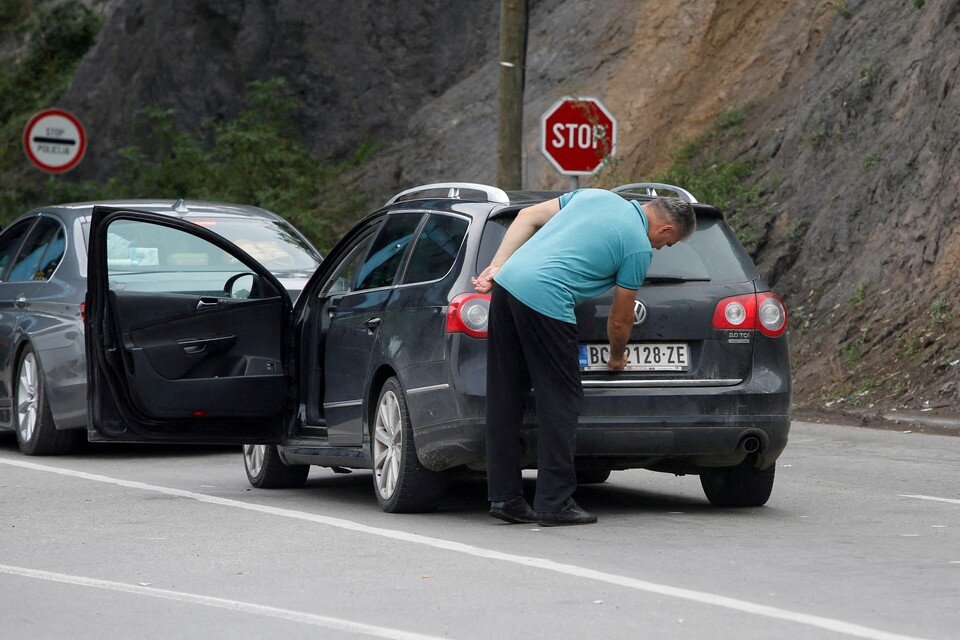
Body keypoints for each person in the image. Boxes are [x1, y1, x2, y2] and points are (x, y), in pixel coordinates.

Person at [471, 188, 696, 526]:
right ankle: (553, 502)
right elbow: (620, 318)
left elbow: (526, 217)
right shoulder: (637, 246)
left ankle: (505, 498)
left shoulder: (595, 196)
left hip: (507, 287)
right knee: (560, 400)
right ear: (665, 230)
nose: (661, 248)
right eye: (669, 243)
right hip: (545, 300)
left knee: (506, 397)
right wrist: (617, 357)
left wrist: (496, 267)